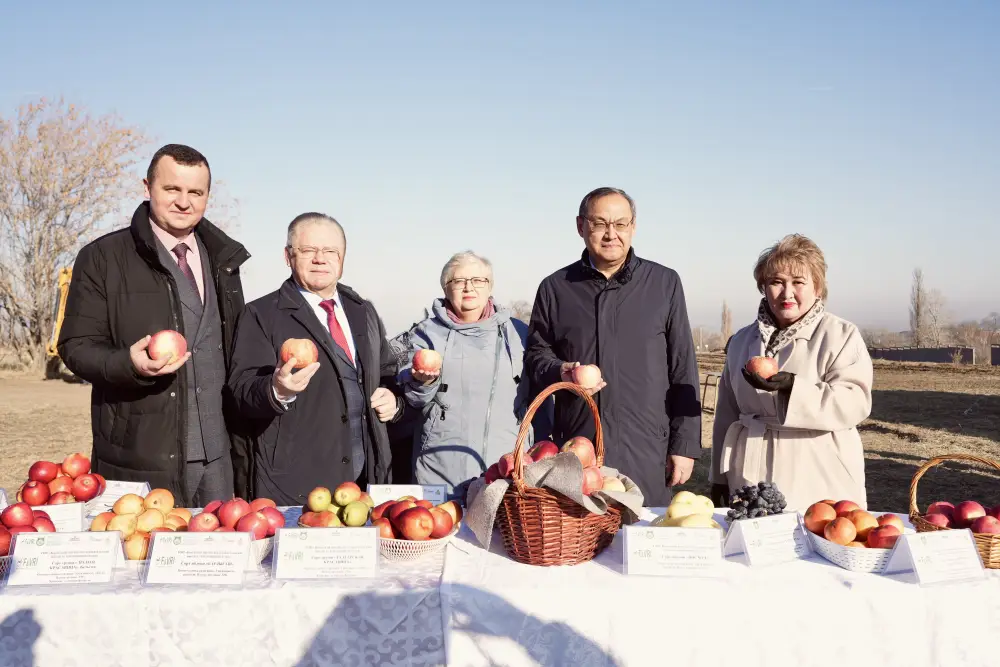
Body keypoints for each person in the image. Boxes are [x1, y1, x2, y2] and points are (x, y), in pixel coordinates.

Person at [57, 144, 250, 505]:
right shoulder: (102, 258)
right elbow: (76, 346)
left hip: (219, 458)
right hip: (143, 454)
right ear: (147, 188)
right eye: (172, 189)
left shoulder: (225, 260)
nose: (184, 201)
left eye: (196, 192)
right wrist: (130, 365)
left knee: (216, 558)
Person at [524, 187, 702, 507]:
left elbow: (682, 366)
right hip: (579, 448)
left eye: (620, 224)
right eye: (600, 223)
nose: (611, 234)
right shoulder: (555, 288)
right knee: (580, 541)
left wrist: (685, 445)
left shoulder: (664, 284)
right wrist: (563, 371)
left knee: (644, 539)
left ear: (633, 227)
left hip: (647, 447)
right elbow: (536, 356)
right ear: (581, 226)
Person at [227, 213, 404, 505]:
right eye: (309, 250)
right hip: (299, 485)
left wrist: (393, 399)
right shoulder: (261, 315)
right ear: (288, 256)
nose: (321, 259)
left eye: (331, 251)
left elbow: (386, 372)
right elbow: (240, 393)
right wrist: (277, 391)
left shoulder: (363, 311)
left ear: (343, 258)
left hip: (366, 480)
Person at [710, 234, 873, 512]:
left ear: (818, 288)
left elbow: (854, 403)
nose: (787, 293)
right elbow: (727, 410)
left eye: (798, 282)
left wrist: (793, 389)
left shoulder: (841, 335)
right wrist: (718, 475)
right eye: (776, 282)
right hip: (750, 469)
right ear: (763, 287)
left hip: (817, 471)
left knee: (812, 547)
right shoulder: (740, 341)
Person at [397, 251, 552, 499]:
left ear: (489, 286)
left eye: (478, 280)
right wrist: (422, 382)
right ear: (445, 288)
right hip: (439, 467)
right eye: (458, 281)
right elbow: (412, 400)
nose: (469, 287)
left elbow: (539, 400)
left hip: (507, 470)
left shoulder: (519, 332)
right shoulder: (424, 334)